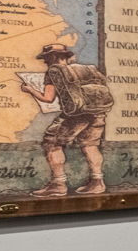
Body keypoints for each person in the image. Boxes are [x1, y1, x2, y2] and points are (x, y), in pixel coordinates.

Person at [19, 43, 114, 196]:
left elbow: (48, 98)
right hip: (98, 113)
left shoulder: (54, 72)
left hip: (76, 115)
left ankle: (58, 184)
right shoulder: (87, 69)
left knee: (52, 143)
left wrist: (29, 89)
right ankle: (97, 182)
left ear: (53, 57)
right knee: (90, 145)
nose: (45, 62)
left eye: (46, 58)